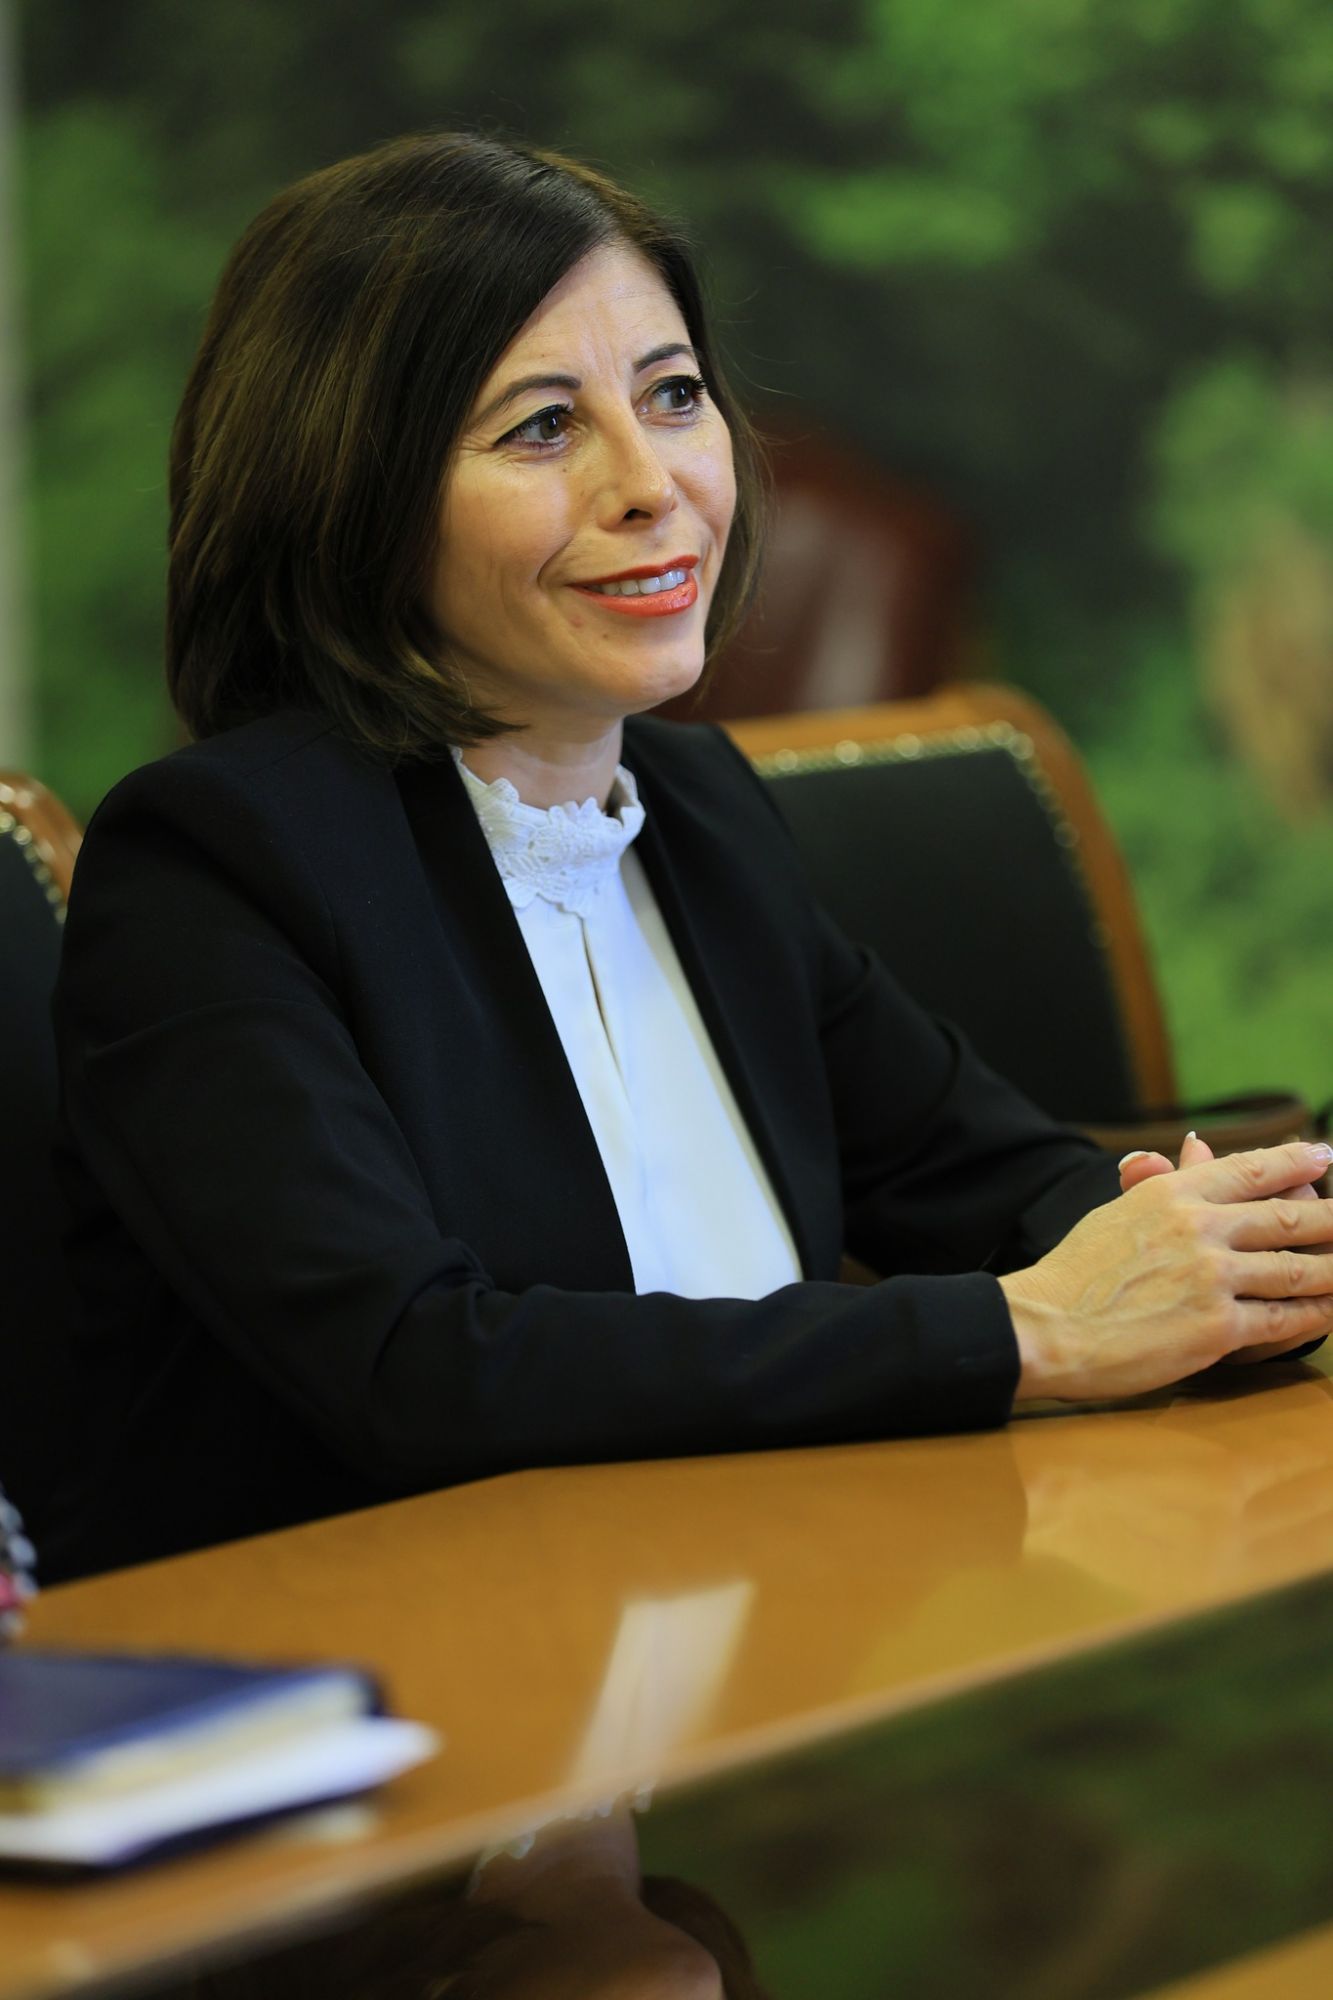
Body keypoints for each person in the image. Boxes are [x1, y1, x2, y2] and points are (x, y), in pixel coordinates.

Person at [51, 132, 1333, 1582]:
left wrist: (1225, 1248)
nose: (651, 482)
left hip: (757, 1617)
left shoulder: (696, 811)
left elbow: (983, 1172)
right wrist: (1032, 1330)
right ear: (349, 491)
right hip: (387, 1670)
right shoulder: (216, 869)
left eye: (672, 396)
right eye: (544, 427)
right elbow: (418, 1371)